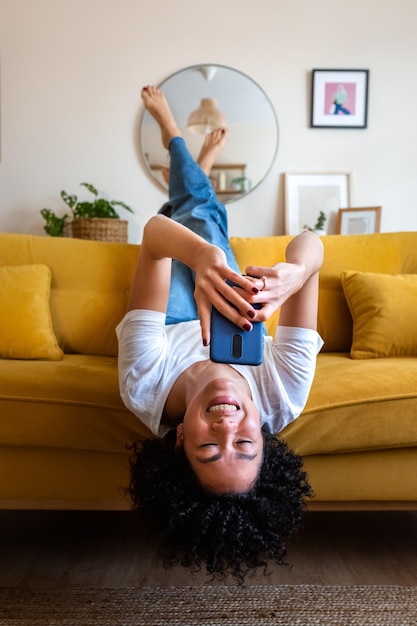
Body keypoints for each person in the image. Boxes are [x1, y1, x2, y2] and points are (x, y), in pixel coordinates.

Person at [116, 85, 324, 583]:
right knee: (204, 221)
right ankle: (198, 178)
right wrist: (297, 275)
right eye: (245, 447)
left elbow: (152, 240)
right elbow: (309, 242)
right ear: (265, 440)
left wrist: (199, 256)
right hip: (229, 305)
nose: (228, 428)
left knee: (193, 229)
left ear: (180, 439)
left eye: (209, 450)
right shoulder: (283, 394)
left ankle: (174, 137)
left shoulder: (143, 385)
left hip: (168, 322)